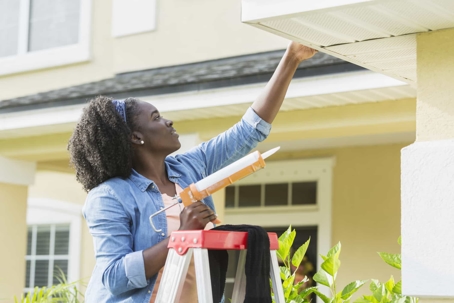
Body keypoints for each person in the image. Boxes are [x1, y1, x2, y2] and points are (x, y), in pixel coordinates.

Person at [68, 42, 317, 303]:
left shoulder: (189, 168)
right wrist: (181, 237)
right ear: (135, 137)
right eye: (156, 118)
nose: (168, 121)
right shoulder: (109, 196)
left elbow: (249, 130)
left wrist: (292, 58)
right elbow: (114, 277)